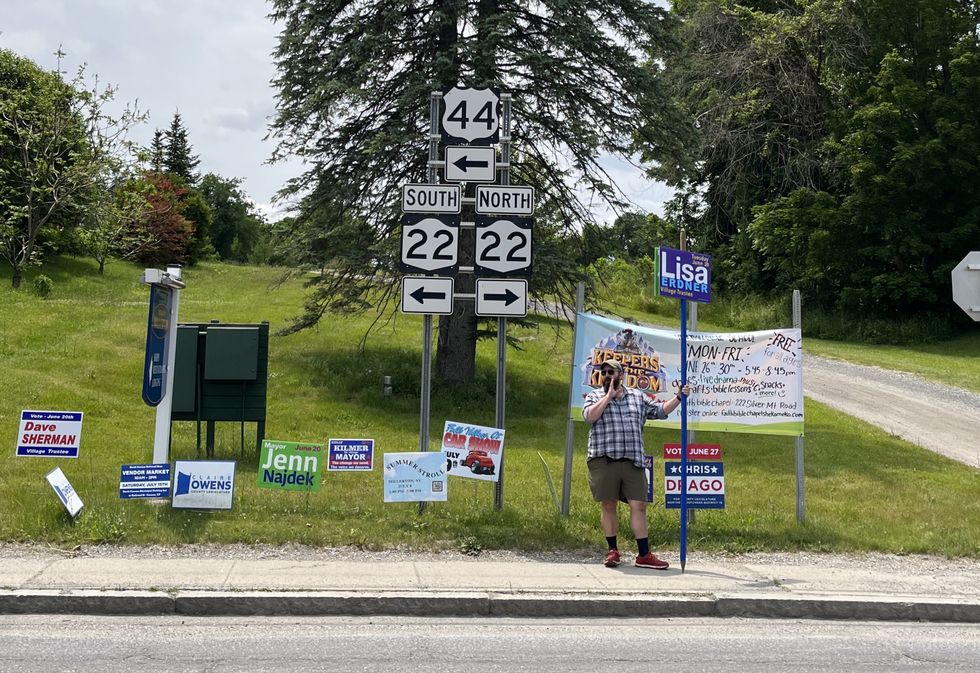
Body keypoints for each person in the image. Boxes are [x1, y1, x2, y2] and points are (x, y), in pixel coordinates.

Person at [582, 359, 690, 569]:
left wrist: (679, 397)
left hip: (633, 460)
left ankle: (643, 554)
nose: (607, 375)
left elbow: (660, 411)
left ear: (621, 375)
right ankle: (613, 550)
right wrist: (608, 397)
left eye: (611, 372)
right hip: (604, 459)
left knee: (639, 506)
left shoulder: (637, 396)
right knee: (609, 504)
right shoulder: (595, 396)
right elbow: (589, 416)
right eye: (603, 372)